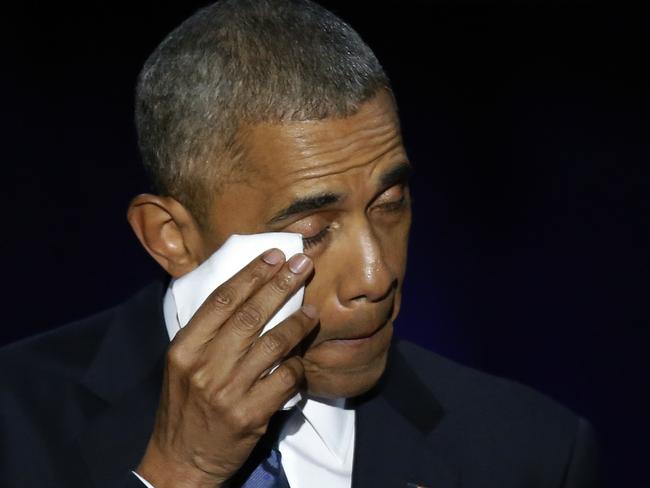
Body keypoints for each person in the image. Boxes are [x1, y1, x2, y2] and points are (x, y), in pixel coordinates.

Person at [0, 0, 599, 487]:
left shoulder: (531, 453)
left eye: (390, 205)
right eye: (312, 231)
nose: (376, 275)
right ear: (172, 236)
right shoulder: (16, 421)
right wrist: (182, 476)